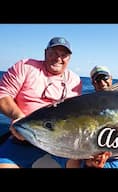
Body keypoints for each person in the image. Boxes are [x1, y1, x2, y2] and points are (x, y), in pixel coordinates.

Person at [0, 37, 82, 168]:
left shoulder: (75, 80)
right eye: (53, 53)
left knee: (76, 163)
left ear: (69, 59)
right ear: (45, 52)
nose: (58, 58)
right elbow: (3, 95)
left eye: (63, 55)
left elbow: (75, 113)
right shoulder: (25, 66)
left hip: (60, 140)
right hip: (25, 136)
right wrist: (19, 118)